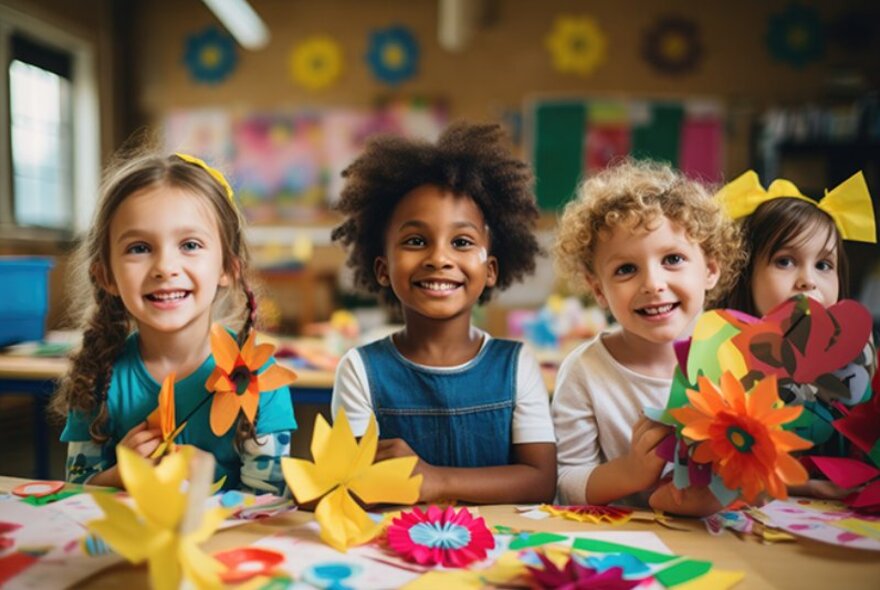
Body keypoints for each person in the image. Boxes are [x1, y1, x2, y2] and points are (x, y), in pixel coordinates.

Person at [330, 122, 556, 504]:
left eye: (462, 242)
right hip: (394, 553)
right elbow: (352, 487)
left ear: (491, 271)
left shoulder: (515, 365)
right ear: (383, 268)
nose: (439, 258)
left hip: (500, 554)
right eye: (416, 241)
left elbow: (540, 482)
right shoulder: (360, 370)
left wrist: (435, 482)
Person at [51, 152, 297, 493]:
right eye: (139, 248)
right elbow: (76, 491)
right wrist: (122, 474)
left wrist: (203, 479)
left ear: (227, 268)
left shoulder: (260, 379)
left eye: (190, 244)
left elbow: (270, 506)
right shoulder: (98, 375)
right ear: (106, 275)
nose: (165, 266)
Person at [552, 159, 743, 509]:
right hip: (623, 544)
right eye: (626, 269)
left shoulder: (740, 355)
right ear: (598, 290)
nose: (653, 284)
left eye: (672, 259)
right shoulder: (584, 371)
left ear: (711, 270)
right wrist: (631, 472)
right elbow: (566, 482)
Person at [717, 170, 877, 499]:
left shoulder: (859, 356)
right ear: (745, 274)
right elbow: (716, 467)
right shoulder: (722, 351)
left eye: (823, 265)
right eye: (786, 261)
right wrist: (805, 486)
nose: (808, 280)